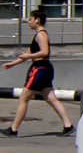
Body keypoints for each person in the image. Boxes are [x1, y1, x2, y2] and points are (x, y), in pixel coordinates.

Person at [1, 8, 75, 137]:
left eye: (30, 19)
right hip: (43, 69)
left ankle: (14, 129)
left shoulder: (41, 34)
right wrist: (12, 64)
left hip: (39, 69)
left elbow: (44, 52)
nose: (29, 22)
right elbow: (28, 53)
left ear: (37, 20)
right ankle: (68, 125)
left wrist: (27, 57)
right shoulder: (38, 35)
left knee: (23, 98)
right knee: (51, 99)